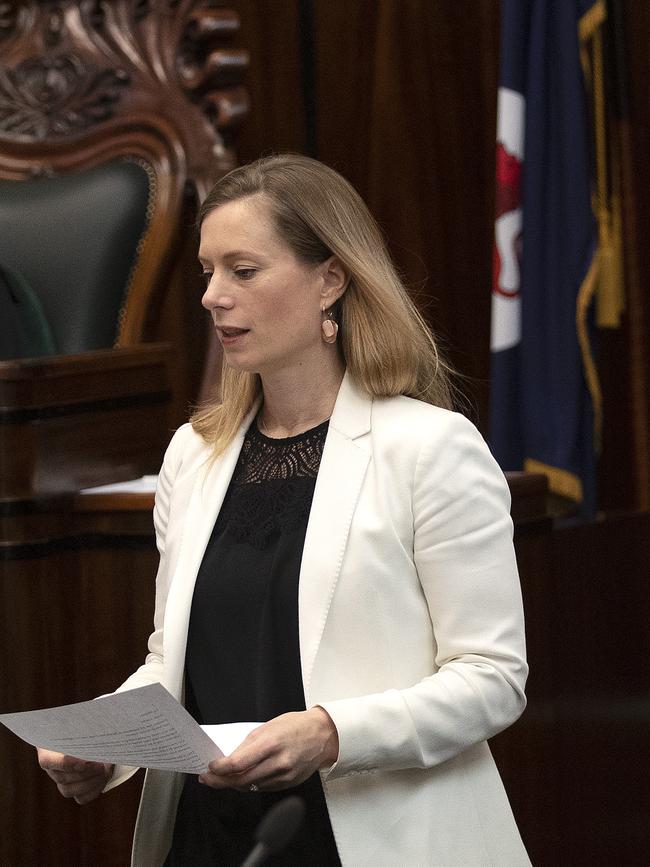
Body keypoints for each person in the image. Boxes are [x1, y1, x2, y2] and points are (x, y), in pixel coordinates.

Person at [38, 153, 531, 866]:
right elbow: (172, 660)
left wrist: (333, 731)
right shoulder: (193, 455)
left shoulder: (429, 449)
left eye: (243, 270)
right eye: (207, 271)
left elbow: (492, 676)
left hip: (370, 840)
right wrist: (106, 744)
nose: (212, 295)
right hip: (213, 837)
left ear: (331, 278)